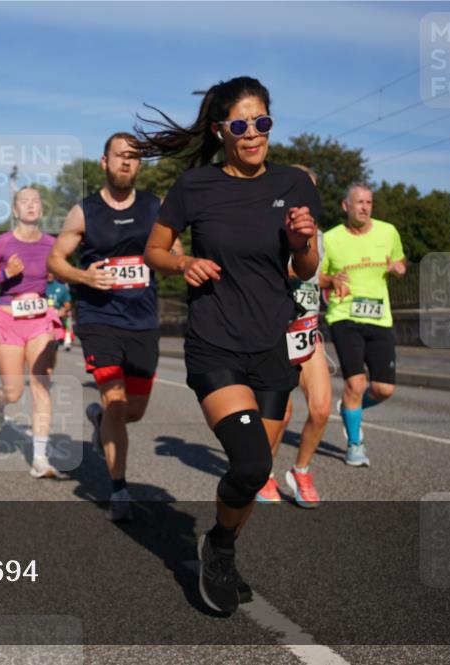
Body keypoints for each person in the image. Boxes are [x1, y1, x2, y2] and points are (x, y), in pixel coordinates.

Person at [139, 77, 320, 614]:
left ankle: (220, 546)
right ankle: (219, 548)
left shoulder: (295, 183)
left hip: (272, 343)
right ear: (221, 131)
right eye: (240, 125)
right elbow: (154, 249)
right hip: (216, 341)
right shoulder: (196, 187)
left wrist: (302, 242)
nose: (252, 134)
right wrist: (183, 262)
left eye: (261, 122)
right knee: (247, 464)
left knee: (258, 470)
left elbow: (304, 268)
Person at [48, 132, 164, 521]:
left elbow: (173, 252)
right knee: (115, 400)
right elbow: (55, 261)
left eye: (133, 157)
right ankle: (119, 488)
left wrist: (181, 262)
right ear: (104, 161)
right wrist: (83, 277)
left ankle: (100, 421)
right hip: (99, 318)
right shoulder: (85, 211)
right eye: (119, 156)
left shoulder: (155, 207)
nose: (126, 163)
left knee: (134, 410)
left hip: (143, 319)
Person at [0, 187, 65, 479]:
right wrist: (4, 275)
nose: (30, 205)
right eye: (24, 201)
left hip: (39, 318)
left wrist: (62, 273)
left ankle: (40, 459)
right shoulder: (3, 242)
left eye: (36, 201)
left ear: (41, 209)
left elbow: (67, 272)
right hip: (8, 318)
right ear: (15, 210)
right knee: (14, 391)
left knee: (41, 385)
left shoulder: (52, 243)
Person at [256, 165, 330, 508]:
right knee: (280, 414)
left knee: (320, 409)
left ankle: (301, 471)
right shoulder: (270, 227)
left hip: (308, 327)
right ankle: (264, 474)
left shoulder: (319, 233)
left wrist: (329, 282)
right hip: (277, 328)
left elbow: (313, 274)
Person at [320, 183, 407, 467]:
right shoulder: (331, 239)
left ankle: (349, 409)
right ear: (346, 206)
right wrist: (331, 281)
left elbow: (399, 259)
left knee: (384, 389)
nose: (365, 207)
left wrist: (399, 267)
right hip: (344, 316)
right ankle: (354, 444)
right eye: (359, 202)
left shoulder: (388, 231)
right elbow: (314, 275)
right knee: (356, 383)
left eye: (369, 202)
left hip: (380, 317)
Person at [44, 273, 73, 351]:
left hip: (57, 313)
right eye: (47, 272)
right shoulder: (40, 285)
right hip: (43, 314)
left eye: (51, 272)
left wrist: (63, 310)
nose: (49, 274)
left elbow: (67, 304)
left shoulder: (62, 286)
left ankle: (67, 340)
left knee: (68, 316)